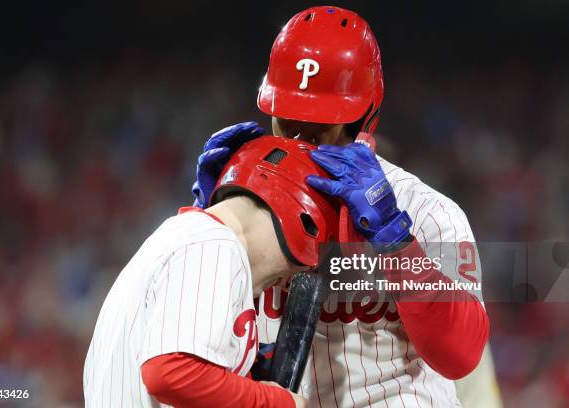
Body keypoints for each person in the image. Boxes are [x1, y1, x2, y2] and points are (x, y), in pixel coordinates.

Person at [192, 6, 494, 407]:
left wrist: (397, 242)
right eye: (288, 120)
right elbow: (195, 336)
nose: (300, 138)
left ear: (365, 116)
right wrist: (204, 225)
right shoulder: (243, 208)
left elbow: (461, 355)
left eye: (319, 125)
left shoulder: (426, 210)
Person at [84, 135, 347, 407]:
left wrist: (241, 378)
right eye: (303, 265)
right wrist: (278, 402)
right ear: (302, 219)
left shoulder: (188, 236)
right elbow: (171, 373)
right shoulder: (214, 243)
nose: (288, 283)